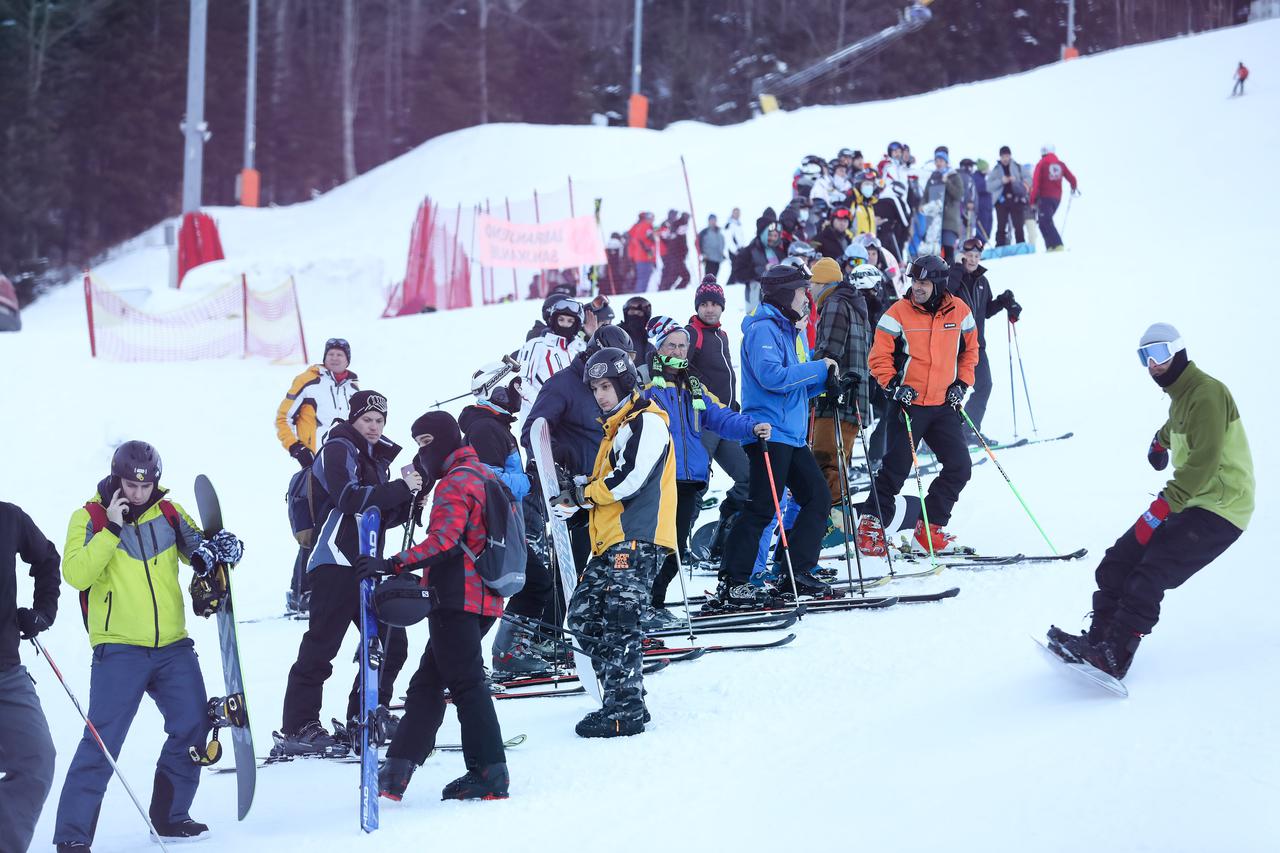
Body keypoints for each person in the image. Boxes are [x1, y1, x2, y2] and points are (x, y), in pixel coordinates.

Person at [55, 441, 244, 848]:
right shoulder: (87, 517)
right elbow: (75, 573)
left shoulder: (169, 513)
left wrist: (222, 551)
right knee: (101, 743)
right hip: (118, 649)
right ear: (116, 478)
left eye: (146, 485)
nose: (139, 493)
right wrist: (111, 528)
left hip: (173, 647)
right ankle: (71, 838)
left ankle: (171, 817)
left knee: (193, 725)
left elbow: (198, 548)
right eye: (131, 485)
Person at [1048, 325, 1254, 680]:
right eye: (1145, 358)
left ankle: (1115, 657)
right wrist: (1158, 444)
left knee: (1149, 573)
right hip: (1191, 503)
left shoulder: (1207, 393)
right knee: (1117, 562)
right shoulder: (1182, 396)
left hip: (1222, 506)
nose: (1153, 365)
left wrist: (1161, 508)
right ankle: (1097, 642)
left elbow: (1204, 462)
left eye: (1159, 354)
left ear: (1179, 351)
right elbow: (1175, 424)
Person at [365, 411, 511, 802]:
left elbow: (444, 540)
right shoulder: (484, 474)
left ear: (448, 438)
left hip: (457, 597)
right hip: (484, 595)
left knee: (465, 683)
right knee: (429, 683)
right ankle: (396, 771)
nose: (422, 450)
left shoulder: (455, 482)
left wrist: (392, 563)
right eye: (418, 443)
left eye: (427, 441)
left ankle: (489, 773)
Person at [277, 391, 417, 755]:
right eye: (367, 419)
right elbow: (349, 499)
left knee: (391, 643)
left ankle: (365, 715)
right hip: (334, 562)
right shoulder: (338, 448)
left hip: (365, 565)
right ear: (353, 419)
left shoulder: (375, 459)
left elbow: (378, 514)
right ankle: (298, 725)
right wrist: (400, 488)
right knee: (323, 643)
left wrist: (413, 497)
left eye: (380, 421)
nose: (374, 427)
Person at [552, 347, 677, 738]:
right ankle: (624, 696)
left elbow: (629, 480)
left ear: (624, 383)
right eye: (595, 388)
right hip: (611, 542)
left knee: (620, 620)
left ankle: (625, 711)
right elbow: (610, 488)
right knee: (585, 618)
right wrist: (577, 501)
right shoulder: (617, 430)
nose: (601, 395)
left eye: (607, 386)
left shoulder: (646, 422)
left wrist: (583, 493)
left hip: (638, 539)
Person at [718, 264, 837, 607]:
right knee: (763, 507)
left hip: (792, 434)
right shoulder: (763, 330)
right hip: (767, 433)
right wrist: (819, 367)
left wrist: (825, 381)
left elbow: (792, 384)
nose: (807, 297)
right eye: (802, 291)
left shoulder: (790, 331)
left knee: (817, 497)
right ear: (786, 293)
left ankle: (794, 571)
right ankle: (734, 581)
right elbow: (771, 377)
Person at [641, 315, 766, 621]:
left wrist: (751, 427)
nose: (680, 351)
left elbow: (720, 416)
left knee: (677, 549)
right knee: (655, 548)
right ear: (658, 348)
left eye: (683, 345)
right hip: (658, 480)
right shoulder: (645, 389)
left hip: (689, 480)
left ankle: (653, 604)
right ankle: (644, 605)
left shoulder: (693, 387)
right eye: (672, 345)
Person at [855, 255, 978, 557]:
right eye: (913, 281)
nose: (917, 288)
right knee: (895, 471)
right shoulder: (896, 313)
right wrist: (894, 385)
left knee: (960, 467)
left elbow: (971, 350)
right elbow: (878, 358)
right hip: (909, 405)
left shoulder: (960, 311)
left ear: (938, 283)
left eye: (923, 282)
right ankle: (870, 529)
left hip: (943, 404)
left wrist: (961, 384)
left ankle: (929, 530)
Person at [276, 337, 360, 614]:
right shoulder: (309, 381)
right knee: (314, 527)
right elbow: (283, 418)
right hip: (315, 467)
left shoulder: (354, 388)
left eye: (340, 354)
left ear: (348, 359)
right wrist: (297, 448)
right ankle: (301, 592)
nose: (335, 358)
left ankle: (334, 589)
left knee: (342, 525)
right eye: (331, 354)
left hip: (345, 467)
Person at [0, 501, 59, 853]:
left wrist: (43, 612)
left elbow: (47, 559)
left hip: (6, 672)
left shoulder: (8, 518)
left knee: (37, 760)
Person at [685, 278, 752, 566]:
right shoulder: (692, 333)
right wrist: (697, 397)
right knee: (695, 483)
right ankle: (677, 546)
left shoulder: (720, 335)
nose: (709, 309)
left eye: (714, 304)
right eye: (704, 304)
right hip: (703, 421)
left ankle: (724, 528)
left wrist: (733, 406)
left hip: (724, 420)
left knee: (749, 476)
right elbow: (680, 367)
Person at [809, 257, 872, 523]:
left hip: (835, 397)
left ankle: (833, 525)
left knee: (826, 460)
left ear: (823, 282)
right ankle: (839, 521)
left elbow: (828, 353)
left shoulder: (834, 304)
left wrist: (811, 381)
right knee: (839, 461)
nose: (810, 289)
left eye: (812, 282)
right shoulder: (855, 305)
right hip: (854, 397)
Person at [946, 237, 1020, 442]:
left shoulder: (982, 282)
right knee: (948, 392)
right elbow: (945, 296)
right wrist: (957, 269)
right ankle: (934, 438)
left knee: (984, 385)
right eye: (968, 256)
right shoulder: (953, 276)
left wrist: (1003, 302)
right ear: (962, 256)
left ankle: (968, 429)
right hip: (953, 347)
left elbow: (985, 311)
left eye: (976, 256)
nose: (972, 260)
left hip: (976, 346)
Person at [515, 296, 582, 411]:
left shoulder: (579, 350)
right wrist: (546, 406)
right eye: (561, 320)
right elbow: (520, 382)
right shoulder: (537, 345)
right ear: (553, 320)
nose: (565, 325)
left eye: (570, 321)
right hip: (538, 418)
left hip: (572, 421)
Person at [1030, 144, 1078, 252]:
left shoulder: (1041, 164)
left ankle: (1057, 245)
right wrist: (1074, 186)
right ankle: (1050, 247)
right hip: (1056, 199)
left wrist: (1032, 201)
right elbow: (1072, 178)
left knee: (1045, 221)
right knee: (1043, 222)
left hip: (1044, 197)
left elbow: (1036, 183)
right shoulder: (1061, 164)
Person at [926, 147, 965, 263]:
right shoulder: (933, 177)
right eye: (936, 161)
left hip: (949, 221)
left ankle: (950, 277)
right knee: (935, 252)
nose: (938, 163)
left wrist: (946, 182)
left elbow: (959, 194)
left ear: (946, 162)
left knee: (948, 249)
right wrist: (922, 205)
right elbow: (926, 195)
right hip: (935, 222)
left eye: (941, 161)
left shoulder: (954, 176)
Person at [987, 146, 1028, 246]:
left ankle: (1020, 244)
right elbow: (989, 186)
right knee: (1001, 225)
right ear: (1000, 157)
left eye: (1006, 156)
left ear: (1010, 156)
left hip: (1017, 200)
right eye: (1003, 156)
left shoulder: (1018, 167)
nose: (1005, 158)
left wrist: (1016, 181)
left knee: (1018, 225)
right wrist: (1001, 181)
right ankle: (1000, 246)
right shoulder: (996, 170)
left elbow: (1029, 180)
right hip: (1001, 202)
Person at [657, 209, 692, 291]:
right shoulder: (668, 224)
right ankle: (665, 290)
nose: (675, 217)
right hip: (671, 254)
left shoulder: (674, 225)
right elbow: (662, 235)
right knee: (679, 275)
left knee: (672, 273)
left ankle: (664, 290)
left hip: (673, 254)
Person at [627, 212, 658, 292]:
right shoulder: (645, 226)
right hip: (644, 258)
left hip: (639, 257)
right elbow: (643, 241)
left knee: (641, 278)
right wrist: (649, 254)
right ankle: (639, 296)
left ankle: (638, 295)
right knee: (643, 278)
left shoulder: (637, 227)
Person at [697, 214, 726, 279]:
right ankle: (706, 288)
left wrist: (722, 253)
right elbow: (697, 243)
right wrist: (703, 254)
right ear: (709, 221)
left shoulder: (719, 231)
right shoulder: (704, 232)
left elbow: (722, 243)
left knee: (715, 277)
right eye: (712, 220)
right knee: (708, 277)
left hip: (718, 258)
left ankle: (713, 288)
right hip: (709, 258)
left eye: (714, 220)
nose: (713, 222)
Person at [973, 158, 994, 244]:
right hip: (981, 208)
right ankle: (976, 249)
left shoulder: (983, 178)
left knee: (987, 231)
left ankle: (980, 249)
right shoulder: (976, 177)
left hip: (988, 208)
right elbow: (983, 187)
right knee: (982, 231)